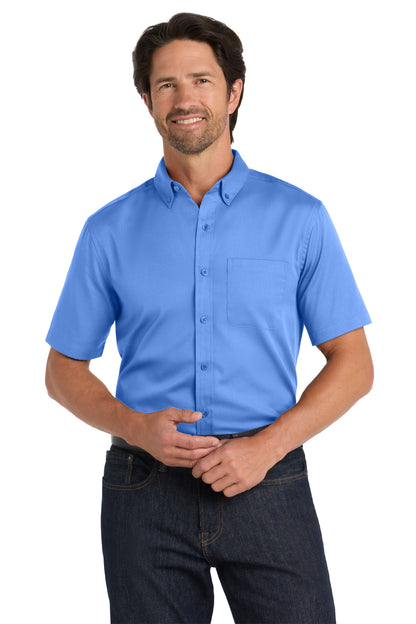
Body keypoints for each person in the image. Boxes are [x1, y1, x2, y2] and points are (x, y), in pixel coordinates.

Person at [45, 12, 373, 624]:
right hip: (144, 487)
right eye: (166, 84)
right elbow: (62, 370)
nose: (184, 99)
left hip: (267, 476)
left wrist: (266, 447)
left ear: (233, 92)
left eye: (201, 80)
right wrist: (135, 426)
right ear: (147, 101)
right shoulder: (107, 230)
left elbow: (354, 365)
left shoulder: (301, 217)